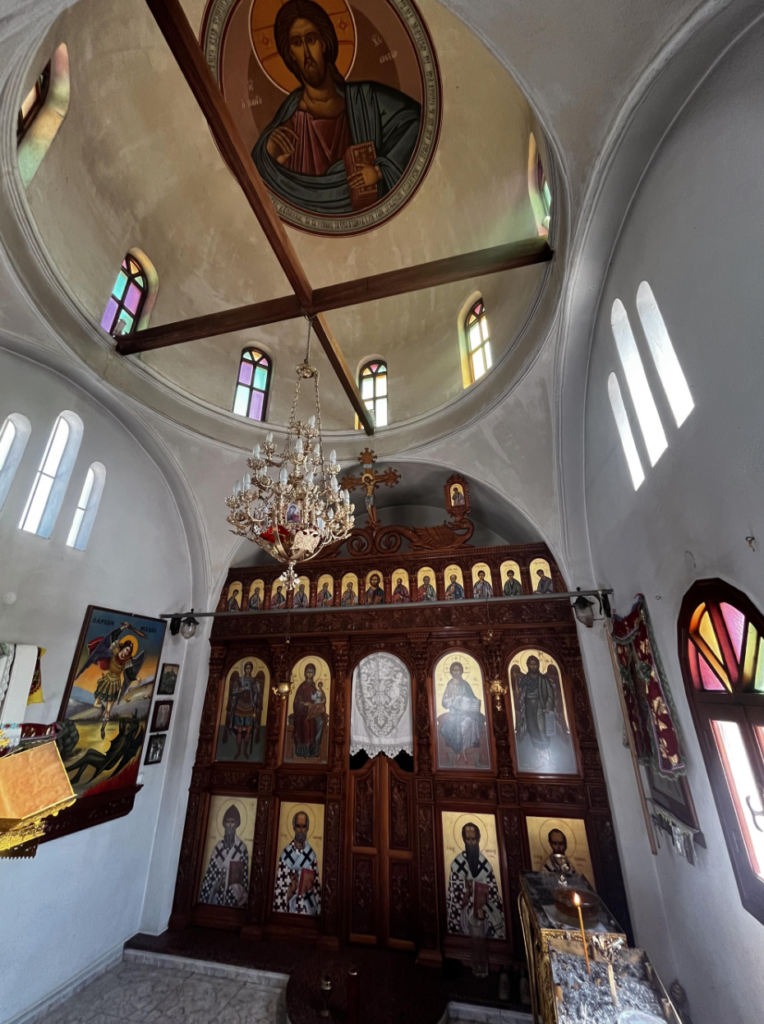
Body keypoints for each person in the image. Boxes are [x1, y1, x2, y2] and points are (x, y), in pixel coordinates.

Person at [252, 0, 422, 217]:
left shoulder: (365, 100)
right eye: (296, 43)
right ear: (290, 54)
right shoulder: (288, 123)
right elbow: (258, 178)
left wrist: (379, 171)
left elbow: (415, 121)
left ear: (324, 43)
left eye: (311, 39)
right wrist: (270, 156)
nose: (306, 53)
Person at [76, 621, 147, 739]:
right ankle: (100, 706)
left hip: (115, 684)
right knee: (97, 702)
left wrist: (137, 677)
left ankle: (103, 728)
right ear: (123, 648)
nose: (126, 652)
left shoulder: (128, 662)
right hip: (106, 681)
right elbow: (113, 636)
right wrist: (124, 628)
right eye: (125, 649)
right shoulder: (115, 651)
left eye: (128, 651)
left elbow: (129, 675)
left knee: (109, 710)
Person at [511, 656, 576, 773]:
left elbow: (551, 694)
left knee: (542, 729)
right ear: (527, 666)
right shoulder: (525, 678)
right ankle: (539, 758)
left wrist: (548, 706)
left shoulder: (544, 680)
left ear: (538, 665)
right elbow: (518, 689)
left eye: (535, 664)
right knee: (532, 729)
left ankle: (548, 758)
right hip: (529, 707)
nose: (533, 667)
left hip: (541, 707)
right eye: (530, 664)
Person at [446, 823, 505, 938]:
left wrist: (483, 909)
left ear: (478, 839)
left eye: (473, 839)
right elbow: (453, 897)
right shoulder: (457, 865)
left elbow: (493, 896)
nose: (471, 843)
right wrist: (466, 893)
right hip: (464, 915)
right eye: (468, 839)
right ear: (463, 839)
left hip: (484, 915)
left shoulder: (486, 866)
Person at [200, 804, 249, 907]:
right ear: (224, 824)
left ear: (236, 824)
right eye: (228, 822)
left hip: (233, 899)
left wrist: (235, 888)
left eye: (233, 822)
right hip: (217, 898)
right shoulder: (218, 848)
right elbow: (209, 876)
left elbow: (245, 879)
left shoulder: (241, 848)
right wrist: (215, 885)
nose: (230, 826)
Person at [273, 811, 321, 915]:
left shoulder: (311, 856)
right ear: (294, 827)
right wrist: (291, 890)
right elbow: (279, 888)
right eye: (298, 826)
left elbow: (316, 887)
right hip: (290, 910)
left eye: (303, 826)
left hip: (307, 911)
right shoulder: (286, 855)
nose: (300, 830)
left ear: (307, 828)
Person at [439, 662, 486, 767]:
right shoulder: (449, 685)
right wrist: (452, 699)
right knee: (447, 728)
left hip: (466, 712)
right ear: (451, 672)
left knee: (468, 724)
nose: (456, 672)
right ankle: (458, 751)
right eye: (454, 670)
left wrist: (469, 701)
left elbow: (472, 698)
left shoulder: (465, 684)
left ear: (461, 671)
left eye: (458, 670)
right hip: (454, 714)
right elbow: (444, 703)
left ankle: (462, 752)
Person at [225, 663, 264, 759]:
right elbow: (232, 692)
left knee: (248, 730)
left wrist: (257, 689)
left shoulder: (254, 682)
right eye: (246, 668)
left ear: (251, 669)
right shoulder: (238, 681)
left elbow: (258, 695)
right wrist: (239, 690)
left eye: (250, 668)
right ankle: (238, 751)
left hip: (250, 707)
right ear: (244, 669)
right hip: (239, 706)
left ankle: (245, 751)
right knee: (239, 730)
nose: (248, 670)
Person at [291, 663, 326, 759]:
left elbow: (320, 698)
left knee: (321, 722)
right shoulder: (302, 686)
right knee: (306, 723)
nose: (309, 674)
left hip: (313, 712)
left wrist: (319, 705)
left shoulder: (315, 687)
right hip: (302, 713)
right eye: (308, 672)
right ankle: (304, 750)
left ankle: (315, 749)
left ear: (314, 673)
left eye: (311, 672)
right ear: (305, 673)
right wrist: (304, 703)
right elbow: (296, 701)